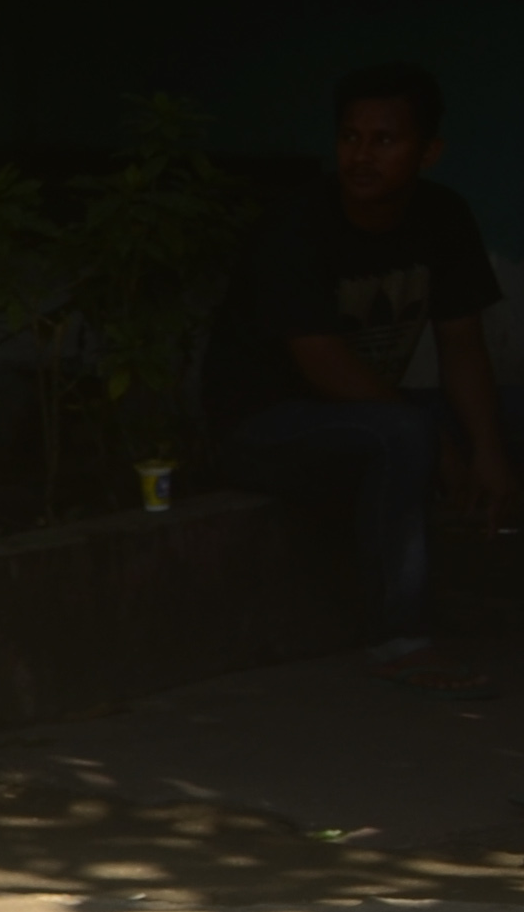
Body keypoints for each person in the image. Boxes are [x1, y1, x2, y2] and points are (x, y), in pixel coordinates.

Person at [218, 60, 513, 638]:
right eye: (350, 138)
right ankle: (399, 640)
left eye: (384, 140)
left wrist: (488, 450)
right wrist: (442, 446)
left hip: (371, 412)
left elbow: (461, 342)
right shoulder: (296, 226)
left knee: (511, 417)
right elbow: (321, 361)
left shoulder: (443, 216)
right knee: (404, 433)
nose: (361, 156)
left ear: (428, 152)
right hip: (264, 427)